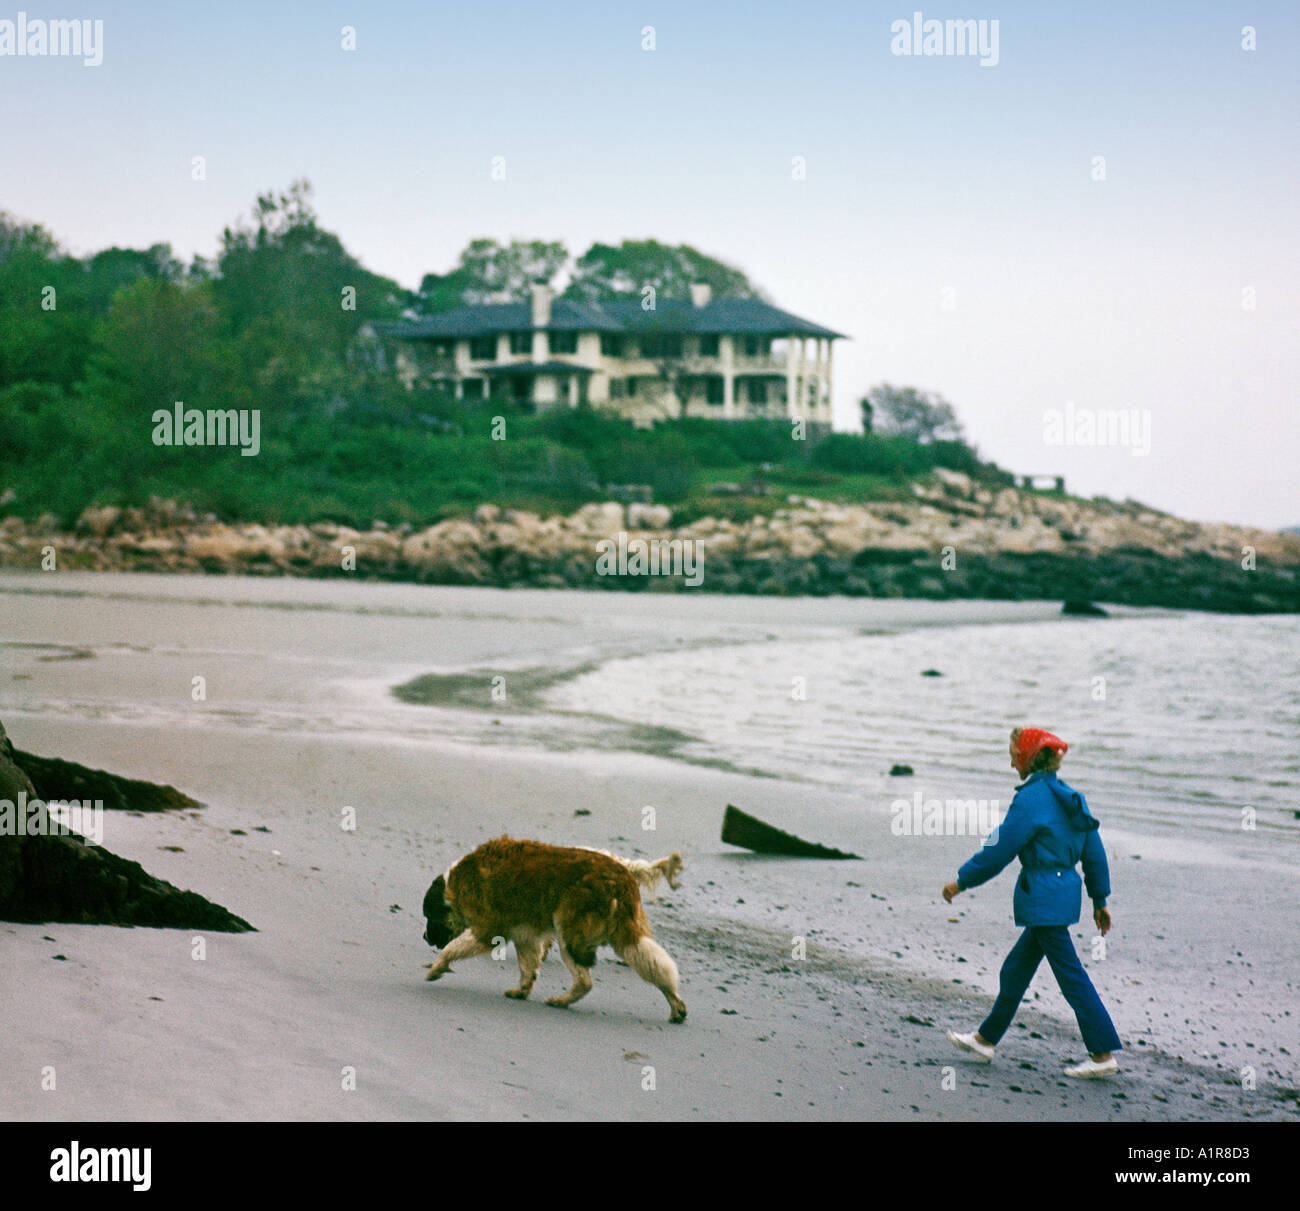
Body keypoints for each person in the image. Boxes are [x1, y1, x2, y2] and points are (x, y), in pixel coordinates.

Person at [941, 727, 1122, 1078]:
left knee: (1071, 977)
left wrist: (961, 881)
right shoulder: (1072, 798)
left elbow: (999, 849)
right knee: (1016, 970)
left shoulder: (1031, 799)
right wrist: (1100, 900)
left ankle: (1102, 1055)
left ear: (1028, 756)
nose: (1010, 762)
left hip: (1043, 899)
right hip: (1061, 896)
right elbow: (1095, 854)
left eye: (1013, 754)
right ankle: (985, 1039)